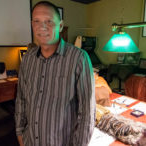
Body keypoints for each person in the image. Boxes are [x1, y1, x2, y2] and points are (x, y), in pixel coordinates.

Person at [15, 1, 95, 146]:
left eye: (49, 21)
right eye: (36, 21)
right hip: (30, 140)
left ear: (61, 25)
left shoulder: (79, 58)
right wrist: (20, 133)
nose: (42, 27)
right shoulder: (27, 59)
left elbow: (87, 114)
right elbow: (21, 99)